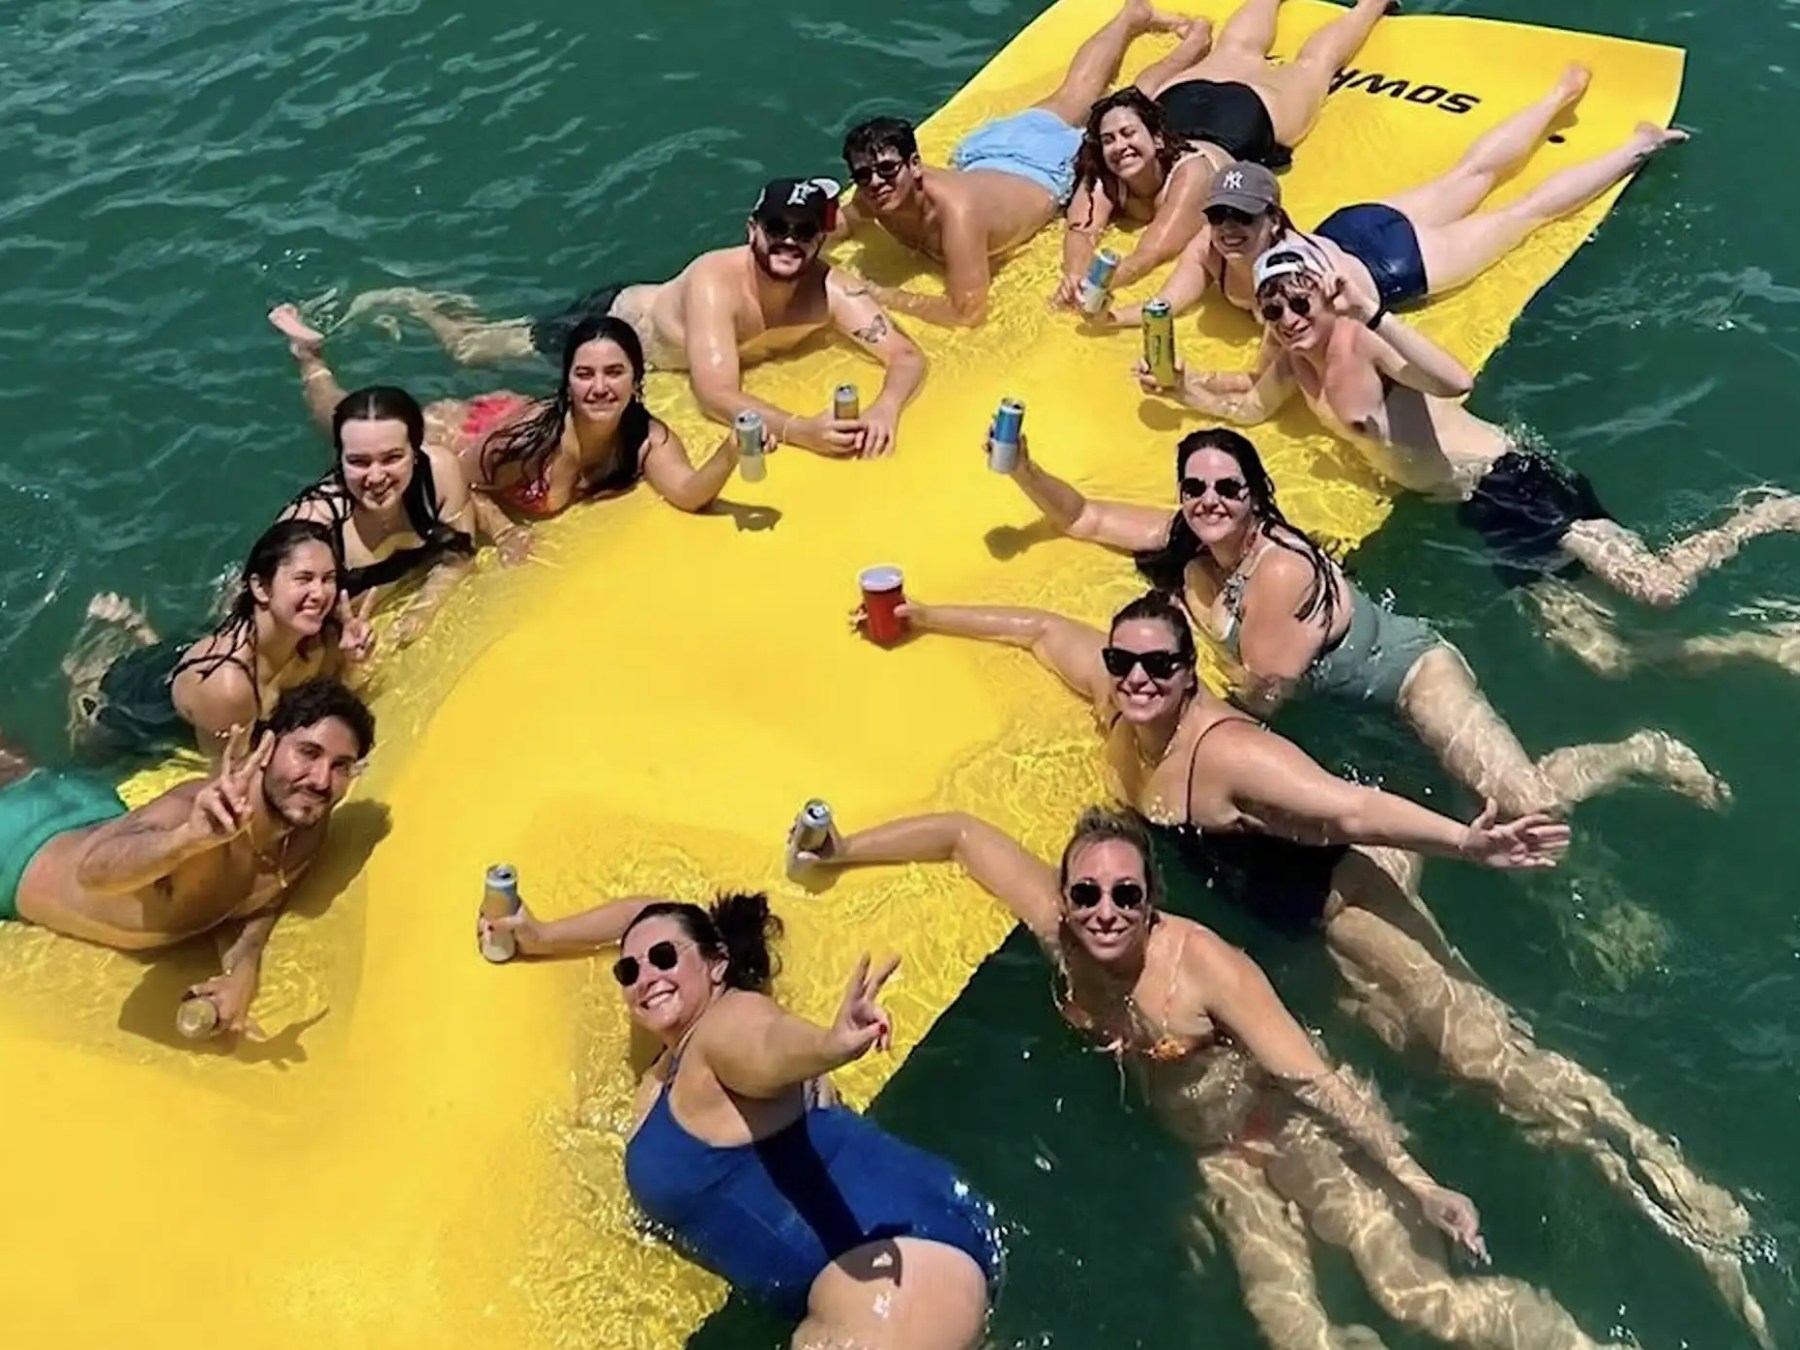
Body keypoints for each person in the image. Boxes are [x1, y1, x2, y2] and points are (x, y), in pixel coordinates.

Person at [854, 586, 1761, 1323]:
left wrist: (1469, 842)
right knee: (1414, 1056)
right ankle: (1606, 763)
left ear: (1185, 673)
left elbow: (1347, 810)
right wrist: (920, 615)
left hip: (1342, 906)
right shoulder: (1120, 705)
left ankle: (1667, 1174)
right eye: (1122, 661)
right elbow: (1035, 625)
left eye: (1157, 666)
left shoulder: (1233, 753)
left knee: (1490, 1062)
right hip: (1284, 921)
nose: (1134, 677)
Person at [796, 805, 1629, 1350]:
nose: (1104, 909)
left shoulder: (1204, 969)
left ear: (1151, 898)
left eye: (1125, 892)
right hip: (1218, 1154)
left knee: (1412, 1295)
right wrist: (843, 851)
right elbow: (960, 836)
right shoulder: (1066, 934)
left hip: (1287, 1126)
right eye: (1086, 891)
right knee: (1290, 1328)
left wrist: (1421, 1183)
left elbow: (1312, 1081)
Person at [1000, 428, 1727, 816]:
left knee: (1524, 806)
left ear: (1257, 497)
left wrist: (1144, 693)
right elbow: (1086, 516)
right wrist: (1022, 467)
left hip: (1414, 676)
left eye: (1228, 487)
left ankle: (1639, 752)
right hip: (1357, 702)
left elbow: (1265, 696)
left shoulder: (1279, 572)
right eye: (1195, 487)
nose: (1209, 499)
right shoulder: (1193, 540)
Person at [1145, 238, 1800, 605]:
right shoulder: (1292, 360)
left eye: (1299, 302)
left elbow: (1456, 381)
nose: (1289, 318)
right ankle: (1765, 645)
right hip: (1461, 504)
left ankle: (1762, 514)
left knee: (1657, 589)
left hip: (1508, 479)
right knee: (1590, 646)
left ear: (1323, 295)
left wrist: (1375, 314)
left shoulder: (1358, 340)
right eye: (1273, 310)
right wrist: (1178, 387)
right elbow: (1251, 407)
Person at [477, 891, 999, 1349]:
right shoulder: (670, 1071)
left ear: (718, 964)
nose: (645, 976)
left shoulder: (726, 1025)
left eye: (663, 957)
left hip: (888, 1272)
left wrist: (828, 1045)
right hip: (898, 1258)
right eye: (628, 970)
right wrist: (541, 935)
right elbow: (649, 911)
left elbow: (766, 1045)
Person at [347, 178, 927, 459]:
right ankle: (414, 302)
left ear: (821, 237)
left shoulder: (831, 289)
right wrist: (800, 430)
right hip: (612, 329)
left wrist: (885, 407)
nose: (789, 243)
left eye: (804, 233)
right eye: (777, 228)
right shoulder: (712, 284)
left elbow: (904, 355)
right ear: (752, 229)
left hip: (653, 342)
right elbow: (716, 394)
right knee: (469, 350)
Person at [1108, 69, 1686, 325]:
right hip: (1354, 226)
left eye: (1241, 218)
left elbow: (1301, 356)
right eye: (1221, 217)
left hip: (1397, 264)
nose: (1228, 229)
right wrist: (1123, 315)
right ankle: (1556, 95)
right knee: (1470, 174)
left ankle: (1636, 146)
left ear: (1273, 220)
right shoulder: (1214, 243)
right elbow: (1173, 298)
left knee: (1525, 211)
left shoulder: (1296, 277)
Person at [1, 678, 375, 1039]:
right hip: (16, 845)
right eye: (308, 753)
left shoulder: (306, 823)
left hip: (92, 805)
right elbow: (95, 872)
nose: (322, 780)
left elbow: (255, 901)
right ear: (264, 747)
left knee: (15, 766)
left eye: (341, 765)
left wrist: (242, 972)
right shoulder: (196, 817)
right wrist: (187, 839)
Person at [270, 306, 746, 553]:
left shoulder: (645, 436)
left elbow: (687, 491)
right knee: (348, 426)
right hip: (466, 435)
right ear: (567, 381)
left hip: (499, 427)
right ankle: (309, 357)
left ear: (636, 380)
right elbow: (459, 479)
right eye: (584, 375)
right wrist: (503, 532)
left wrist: (733, 447)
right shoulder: (532, 441)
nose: (599, 388)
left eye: (614, 373)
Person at [834, 0, 1185, 326]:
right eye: (864, 175)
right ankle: (1131, 17)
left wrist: (879, 294)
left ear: (914, 165)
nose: (877, 182)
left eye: (887, 169)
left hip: (1044, 167)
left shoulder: (957, 215)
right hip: (987, 152)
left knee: (1124, 112)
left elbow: (968, 312)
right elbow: (836, 223)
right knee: (1074, 93)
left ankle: (1186, 47)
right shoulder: (874, 196)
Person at [63, 519, 368, 763]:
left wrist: (351, 659)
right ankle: (86, 673)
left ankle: (140, 631)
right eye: (304, 579)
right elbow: (226, 771)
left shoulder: (320, 637)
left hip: (195, 663)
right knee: (89, 750)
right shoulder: (229, 688)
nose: (320, 593)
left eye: (328, 578)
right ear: (261, 589)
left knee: (183, 658)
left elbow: (337, 695)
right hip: (136, 705)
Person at [276, 381, 480, 648]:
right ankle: (310, 365)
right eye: (358, 461)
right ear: (340, 460)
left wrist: (421, 610)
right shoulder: (314, 525)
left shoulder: (439, 473)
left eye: (392, 458)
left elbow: (460, 555)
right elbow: (273, 631)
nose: (375, 477)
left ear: (416, 452)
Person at [1132, 0, 1390, 169]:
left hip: (1238, 128)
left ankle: (1372, 3)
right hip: (1178, 103)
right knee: (1235, 47)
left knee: (1314, 65)